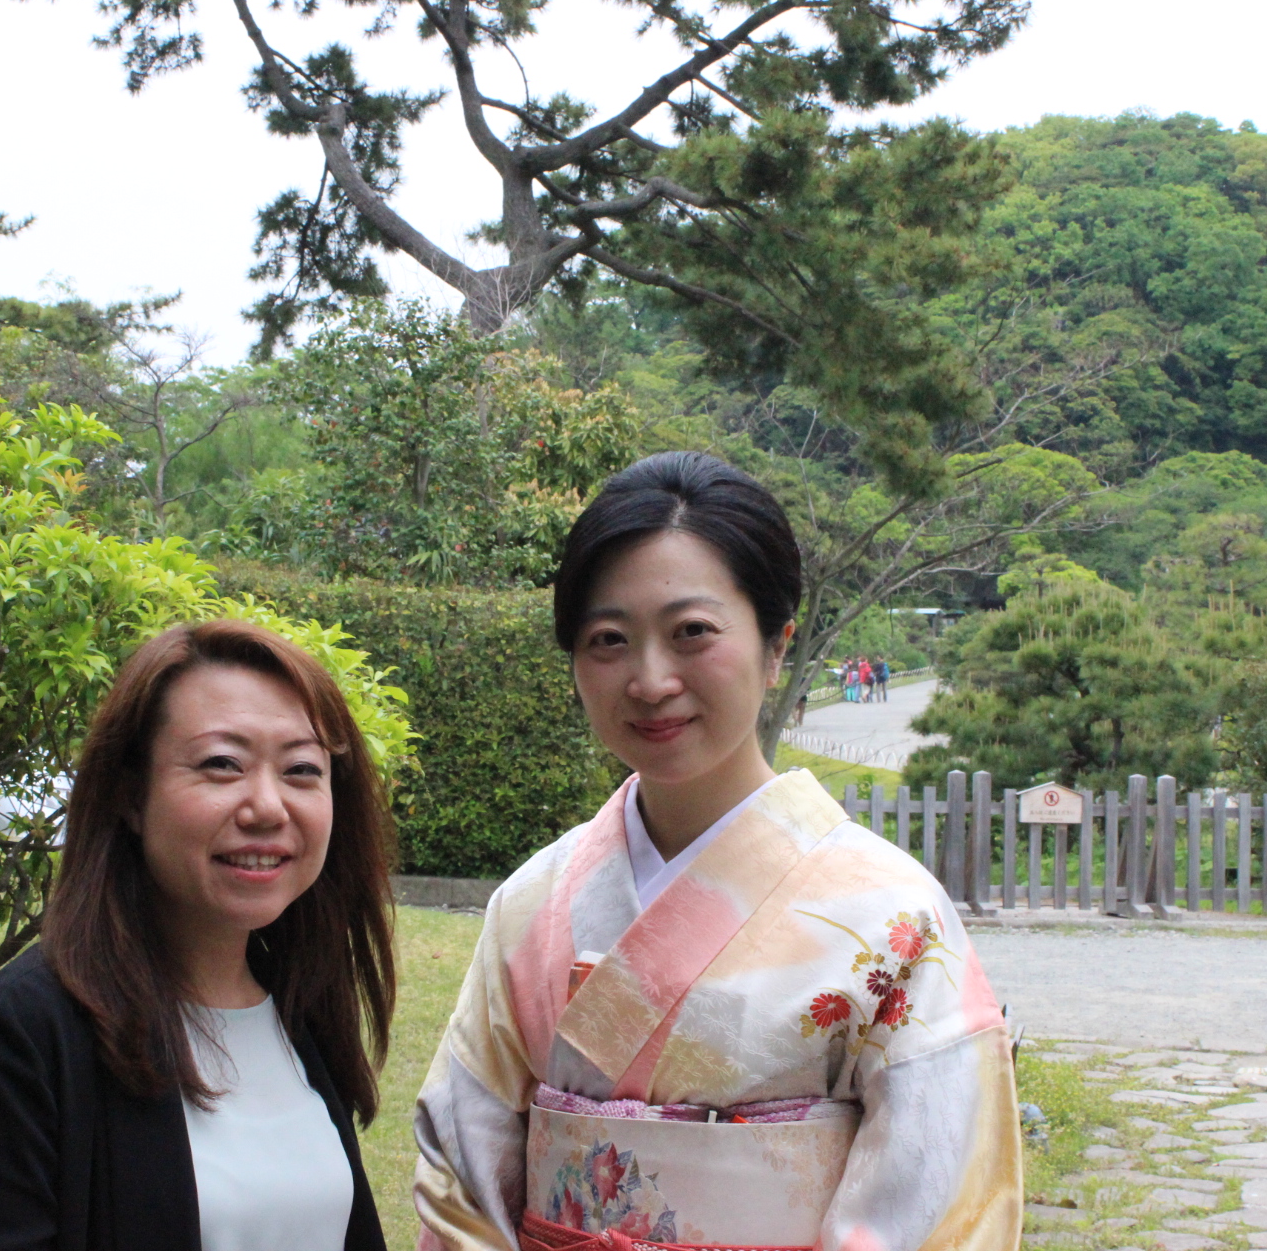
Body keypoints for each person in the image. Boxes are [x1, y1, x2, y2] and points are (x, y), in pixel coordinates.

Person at [412, 452, 1020, 1251]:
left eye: (692, 632)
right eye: (608, 639)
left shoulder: (893, 918)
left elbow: (939, 1201)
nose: (650, 679)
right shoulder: (531, 903)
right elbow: (461, 1181)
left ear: (776, 647)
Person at [0, 621, 395, 1251]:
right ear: (131, 796)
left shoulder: (301, 1013)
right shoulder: (15, 1043)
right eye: (222, 764)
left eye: (301, 769)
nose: (268, 807)